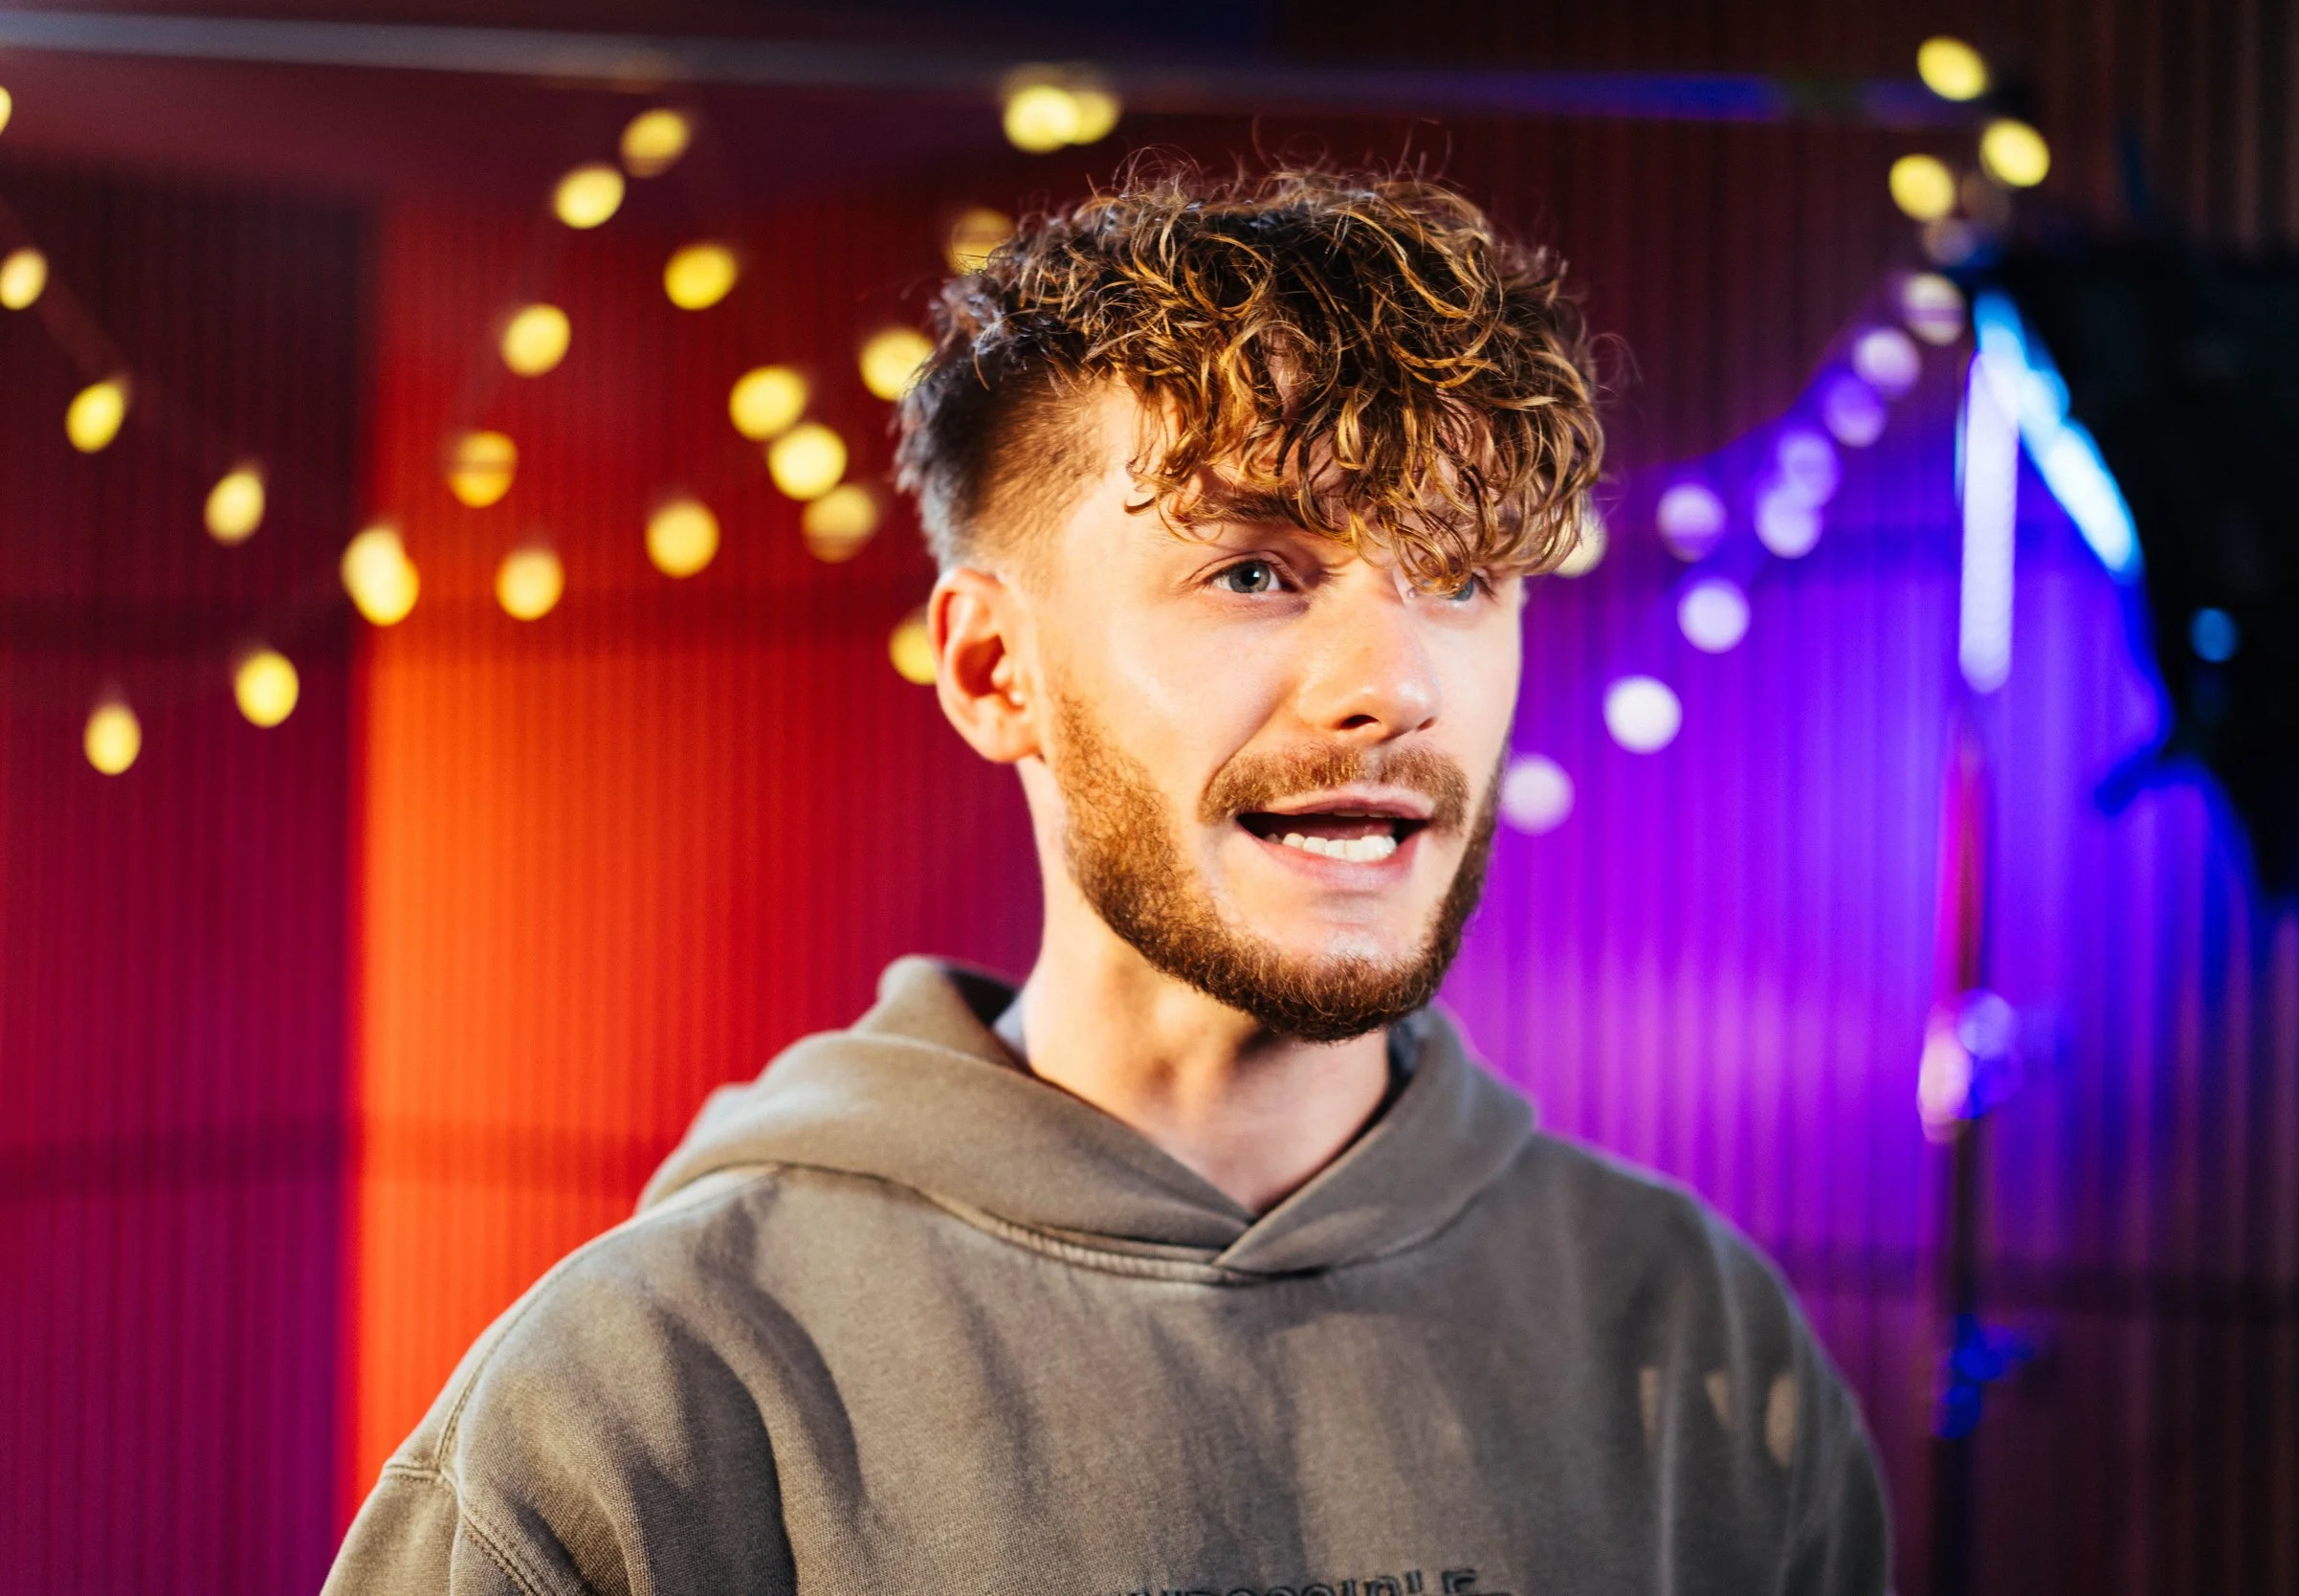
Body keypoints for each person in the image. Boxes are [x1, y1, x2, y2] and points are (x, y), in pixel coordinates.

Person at [326, 160, 1890, 1596]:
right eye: (1256, 571)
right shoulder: (647, 1402)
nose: (1395, 683)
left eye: (1463, 574)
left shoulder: (1698, 1342)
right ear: (998, 669)